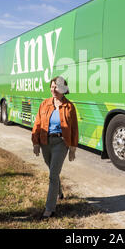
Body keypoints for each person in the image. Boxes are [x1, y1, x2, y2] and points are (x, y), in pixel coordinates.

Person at [31, 76, 78, 219]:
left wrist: (72, 148)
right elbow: (37, 123)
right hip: (45, 142)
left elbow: (74, 128)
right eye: (52, 86)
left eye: (56, 87)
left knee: (52, 175)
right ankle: (59, 192)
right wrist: (36, 143)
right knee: (53, 171)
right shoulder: (45, 104)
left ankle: (49, 208)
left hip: (61, 143)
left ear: (63, 89)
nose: (53, 89)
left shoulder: (69, 107)